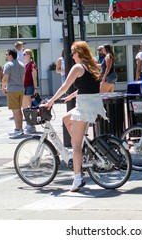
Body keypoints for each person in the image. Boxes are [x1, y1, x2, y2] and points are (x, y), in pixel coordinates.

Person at [42, 41, 107, 192]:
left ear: (78, 53)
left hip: (83, 108)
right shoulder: (93, 66)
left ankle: (77, 178)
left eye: (72, 53)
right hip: (94, 105)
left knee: (75, 145)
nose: (71, 56)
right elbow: (88, 87)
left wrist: (51, 101)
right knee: (66, 118)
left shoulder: (78, 67)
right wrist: (71, 96)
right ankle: (80, 146)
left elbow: (64, 86)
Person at [2, 48, 25, 139]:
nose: (6, 56)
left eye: (6, 54)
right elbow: (23, 77)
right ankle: (20, 129)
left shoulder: (8, 65)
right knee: (19, 110)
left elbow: (5, 78)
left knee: (15, 111)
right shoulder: (21, 64)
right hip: (21, 89)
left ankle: (18, 130)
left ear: (10, 55)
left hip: (12, 89)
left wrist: (3, 87)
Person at [22, 48, 38, 134]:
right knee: (24, 106)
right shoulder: (25, 65)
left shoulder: (32, 65)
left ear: (29, 55)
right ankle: (28, 123)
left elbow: (34, 78)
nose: (23, 56)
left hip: (30, 86)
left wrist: (35, 89)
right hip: (24, 87)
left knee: (29, 106)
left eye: (24, 54)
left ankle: (32, 125)